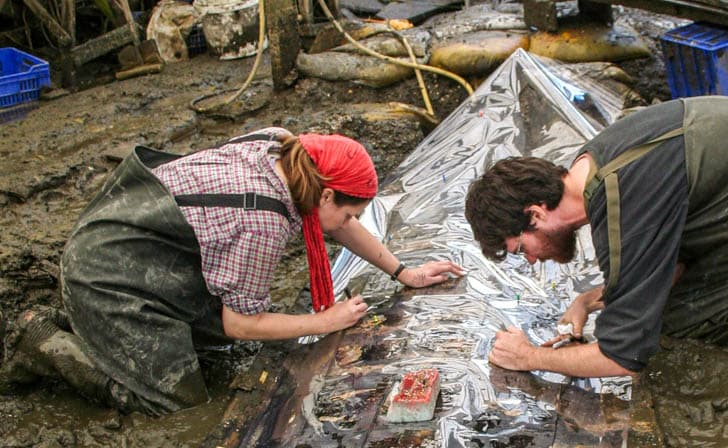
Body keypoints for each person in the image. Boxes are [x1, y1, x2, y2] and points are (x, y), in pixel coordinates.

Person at [0, 128, 463, 414]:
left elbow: (337, 225)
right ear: (324, 197)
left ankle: (92, 327)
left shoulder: (286, 148)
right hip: (109, 269)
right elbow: (241, 323)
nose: (350, 225)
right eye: (349, 214)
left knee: (210, 346)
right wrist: (324, 321)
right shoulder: (262, 219)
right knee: (175, 401)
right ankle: (45, 339)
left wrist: (403, 272)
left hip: (151, 242)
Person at [465, 96, 728, 379]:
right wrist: (587, 301)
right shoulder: (592, 165)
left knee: (685, 316)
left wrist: (532, 358)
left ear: (535, 215)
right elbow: (656, 265)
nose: (533, 261)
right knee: (663, 294)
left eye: (521, 249)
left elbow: (624, 357)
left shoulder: (622, 205)